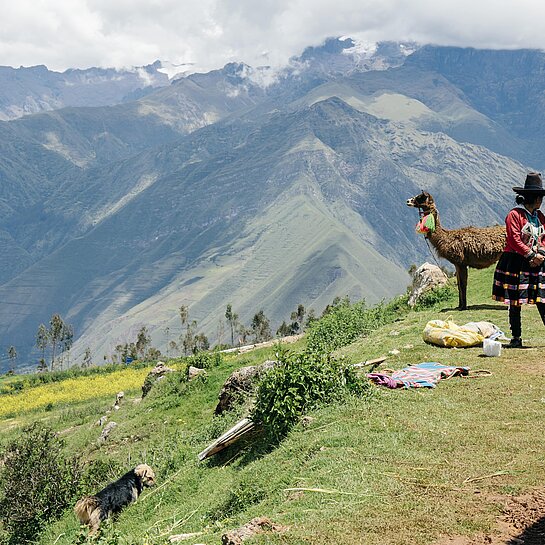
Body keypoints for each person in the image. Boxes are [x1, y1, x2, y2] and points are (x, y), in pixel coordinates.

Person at [492, 172, 545, 348]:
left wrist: (540, 254)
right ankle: (516, 337)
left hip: (537, 261)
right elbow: (514, 239)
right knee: (515, 301)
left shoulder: (540, 217)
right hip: (516, 261)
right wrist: (530, 255)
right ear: (534, 198)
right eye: (540, 197)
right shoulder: (514, 215)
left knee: (541, 297)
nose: (541, 201)